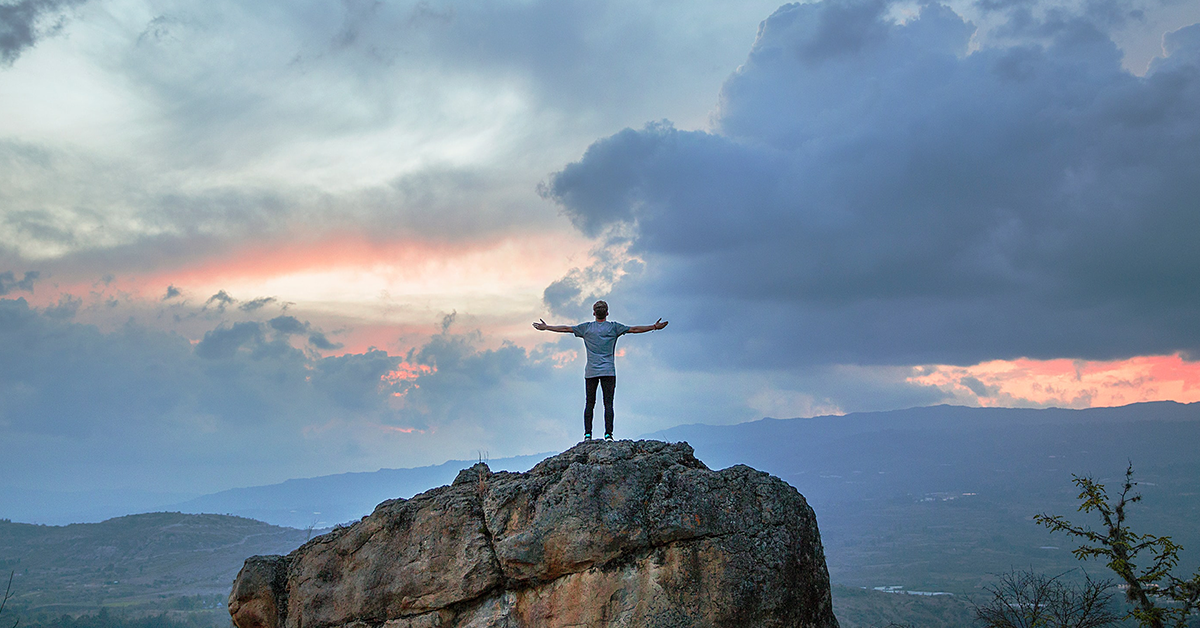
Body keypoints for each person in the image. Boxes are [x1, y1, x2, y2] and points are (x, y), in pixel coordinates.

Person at [533, 300, 668, 441]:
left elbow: (566, 329)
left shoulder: (586, 328)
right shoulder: (614, 328)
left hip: (591, 372)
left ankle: (587, 435)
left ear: (593, 313)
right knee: (608, 403)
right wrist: (654, 327)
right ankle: (608, 435)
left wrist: (547, 327)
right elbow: (634, 329)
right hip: (608, 371)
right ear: (607, 313)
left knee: (589, 404)